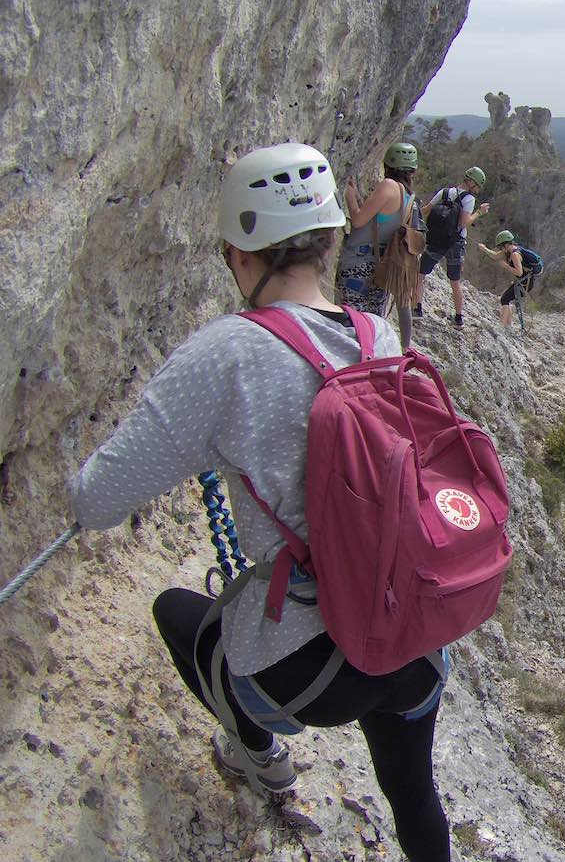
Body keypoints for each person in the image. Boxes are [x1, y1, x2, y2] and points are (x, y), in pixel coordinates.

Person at [70, 143, 450, 861]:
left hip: (310, 669)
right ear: (333, 239)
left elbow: (96, 500)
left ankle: (263, 759)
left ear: (240, 255)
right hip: (411, 638)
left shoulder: (224, 355)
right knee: (414, 793)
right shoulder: (380, 336)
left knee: (180, 616)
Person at [337, 142, 417, 317]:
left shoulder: (388, 186)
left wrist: (349, 193)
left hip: (359, 264)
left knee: (351, 321)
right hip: (384, 268)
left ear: (387, 165)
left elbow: (358, 220)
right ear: (412, 170)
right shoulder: (409, 197)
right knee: (372, 324)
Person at [417, 165, 489, 328]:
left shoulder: (444, 192)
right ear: (472, 183)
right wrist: (479, 213)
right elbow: (463, 223)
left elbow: (426, 210)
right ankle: (458, 318)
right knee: (455, 280)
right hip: (456, 243)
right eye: (477, 186)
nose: (477, 190)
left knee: (420, 274)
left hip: (436, 240)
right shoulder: (469, 199)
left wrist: (409, 214)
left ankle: (417, 308)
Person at [476, 229, 542, 330]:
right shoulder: (509, 253)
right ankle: (508, 326)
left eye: (501, 247)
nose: (500, 249)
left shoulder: (515, 255)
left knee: (505, 299)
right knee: (506, 299)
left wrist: (506, 266)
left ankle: (502, 326)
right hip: (523, 281)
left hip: (525, 283)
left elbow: (519, 272)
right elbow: (495, 256)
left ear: (506, 245)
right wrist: (484, 249)